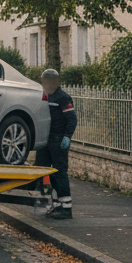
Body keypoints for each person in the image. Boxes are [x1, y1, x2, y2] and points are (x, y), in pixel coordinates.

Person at [36, 68, 78, 220]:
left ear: (55, 82)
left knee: (60, 173)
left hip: (58, 140)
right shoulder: (46, 97)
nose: (44, 85)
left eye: (47, 82)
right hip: (46, 140)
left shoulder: (62, 97)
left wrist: (67, 137)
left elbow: (72, 119)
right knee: (43, 171)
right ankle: (54, 203)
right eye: (43, 82)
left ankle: (66, 207)